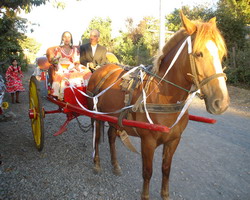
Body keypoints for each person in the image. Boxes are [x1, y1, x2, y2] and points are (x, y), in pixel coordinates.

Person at [46, 31, 91, 100]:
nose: (67, 39)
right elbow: (55, 60)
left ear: (71, 39)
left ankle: (85, 92)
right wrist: (55, 63)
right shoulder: (58, 49)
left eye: (69, 37)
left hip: (72, 65)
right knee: (64, 74)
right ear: (62, 38)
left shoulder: (74, 49)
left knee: (86, 71)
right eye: (65, 37)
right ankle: (64, 94)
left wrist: (76, 65)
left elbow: (76, 59)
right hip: (61, 65)